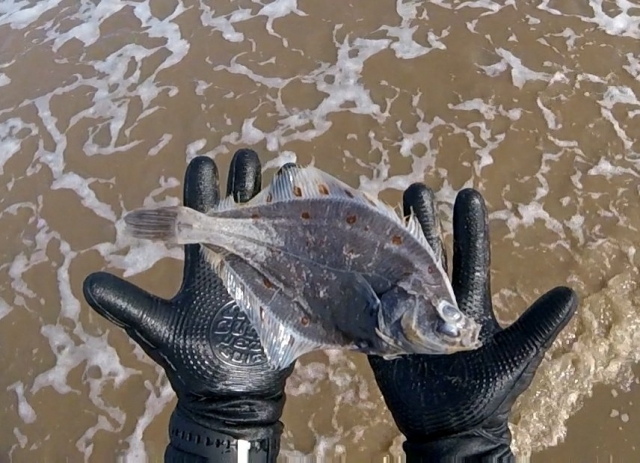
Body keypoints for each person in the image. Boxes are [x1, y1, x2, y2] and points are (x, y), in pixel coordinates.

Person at [82, 149, 577, 462]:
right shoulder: (404, 301)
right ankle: (202, 225)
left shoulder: (411, 301)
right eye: (444, 319)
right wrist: (467, 448)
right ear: (410, 300)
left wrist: (224, 424)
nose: (453, 329)